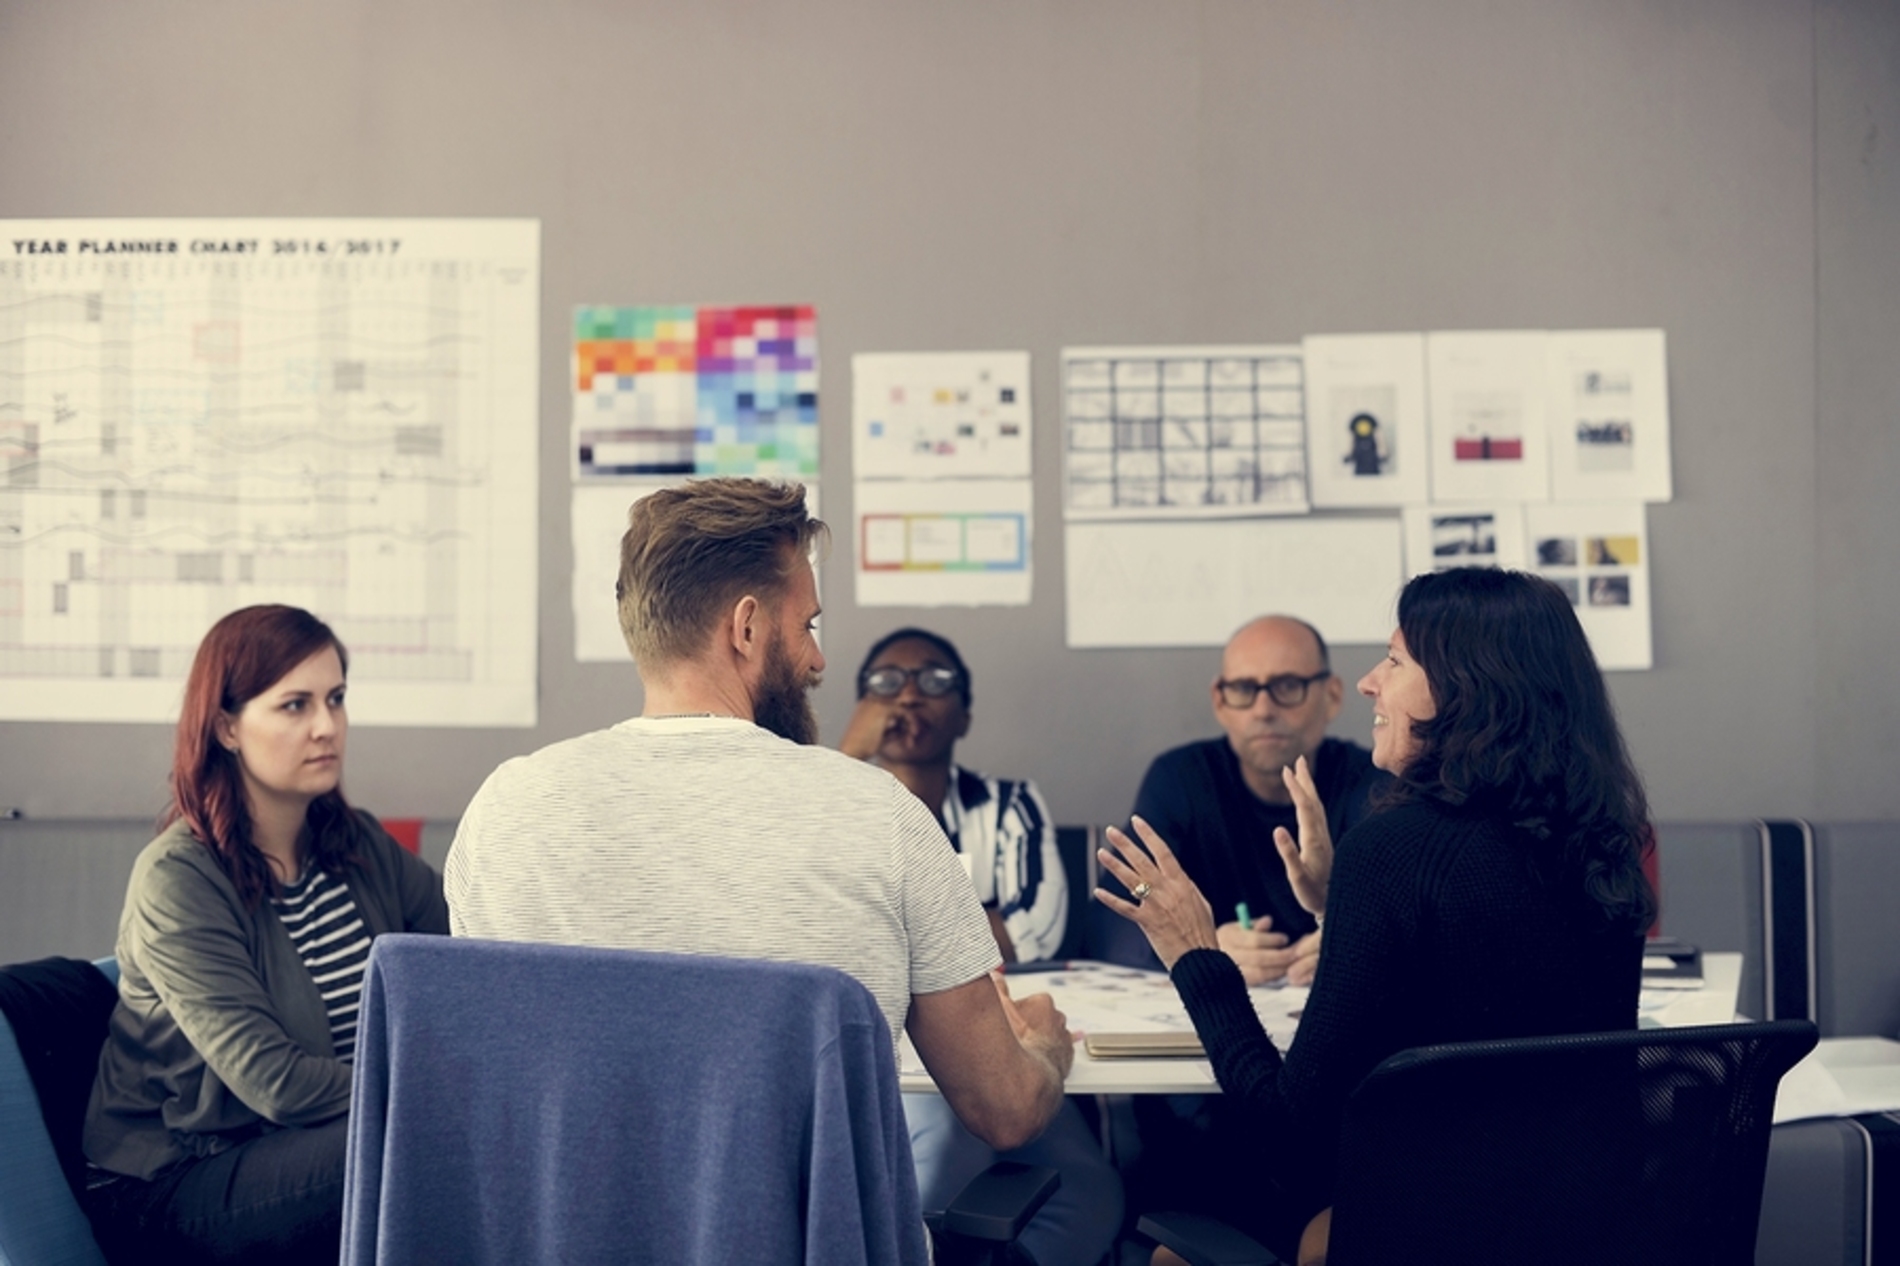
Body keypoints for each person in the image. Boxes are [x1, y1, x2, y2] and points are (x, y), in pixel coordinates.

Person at [446, 479, 1073, 1170]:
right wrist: (1044, 1047)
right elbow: (1006, 1110)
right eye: (807, 626)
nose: (819, 660)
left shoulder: (503, 812)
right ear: (746, 628)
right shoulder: (882, 817)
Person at [1096, 568, 1655, 1262]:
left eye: (1394, 661)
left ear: (1463, 687)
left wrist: (1195, 954)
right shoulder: (1599, 847)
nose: (1369, 683)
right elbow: (1482, 987)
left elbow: (1288, 1138)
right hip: (1576, 1232)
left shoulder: (1392, 850)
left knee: (1175, 1254)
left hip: (1419, 1233)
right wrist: (1344, 910)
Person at [83, 605, 449, 1266]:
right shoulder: (178, 880)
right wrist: (431, 1085)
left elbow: (460, 963)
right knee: (422, 1132)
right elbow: (273, 1082)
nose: (326, 727)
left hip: (313, 1145)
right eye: (294, 706)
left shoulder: (356, 842)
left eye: (336, 699)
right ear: (226, 726)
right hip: (179, 1182)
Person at [842, 628, 1122, 1266]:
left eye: (935, 681)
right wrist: (848, 760)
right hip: (896, 1059)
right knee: (940, 1169)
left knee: (1093, 1191)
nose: (909, 694)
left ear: (965, 713)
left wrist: (899, 928)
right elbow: (819, 929)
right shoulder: (835, 805)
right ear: (859, 709)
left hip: (1008, 1036)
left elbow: (1036, 933)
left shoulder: (1009, 804)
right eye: (886, 682)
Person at [1098, 615, 1385, 988]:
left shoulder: (1375, 785)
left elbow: (1417, 922)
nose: (1264, 710)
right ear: (1220, 700)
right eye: (1244, 688)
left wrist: (1357, 945)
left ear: (1331, 696)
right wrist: (1197, 949)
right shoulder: (1182, 779)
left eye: (1287, 686)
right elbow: (1112, 926)